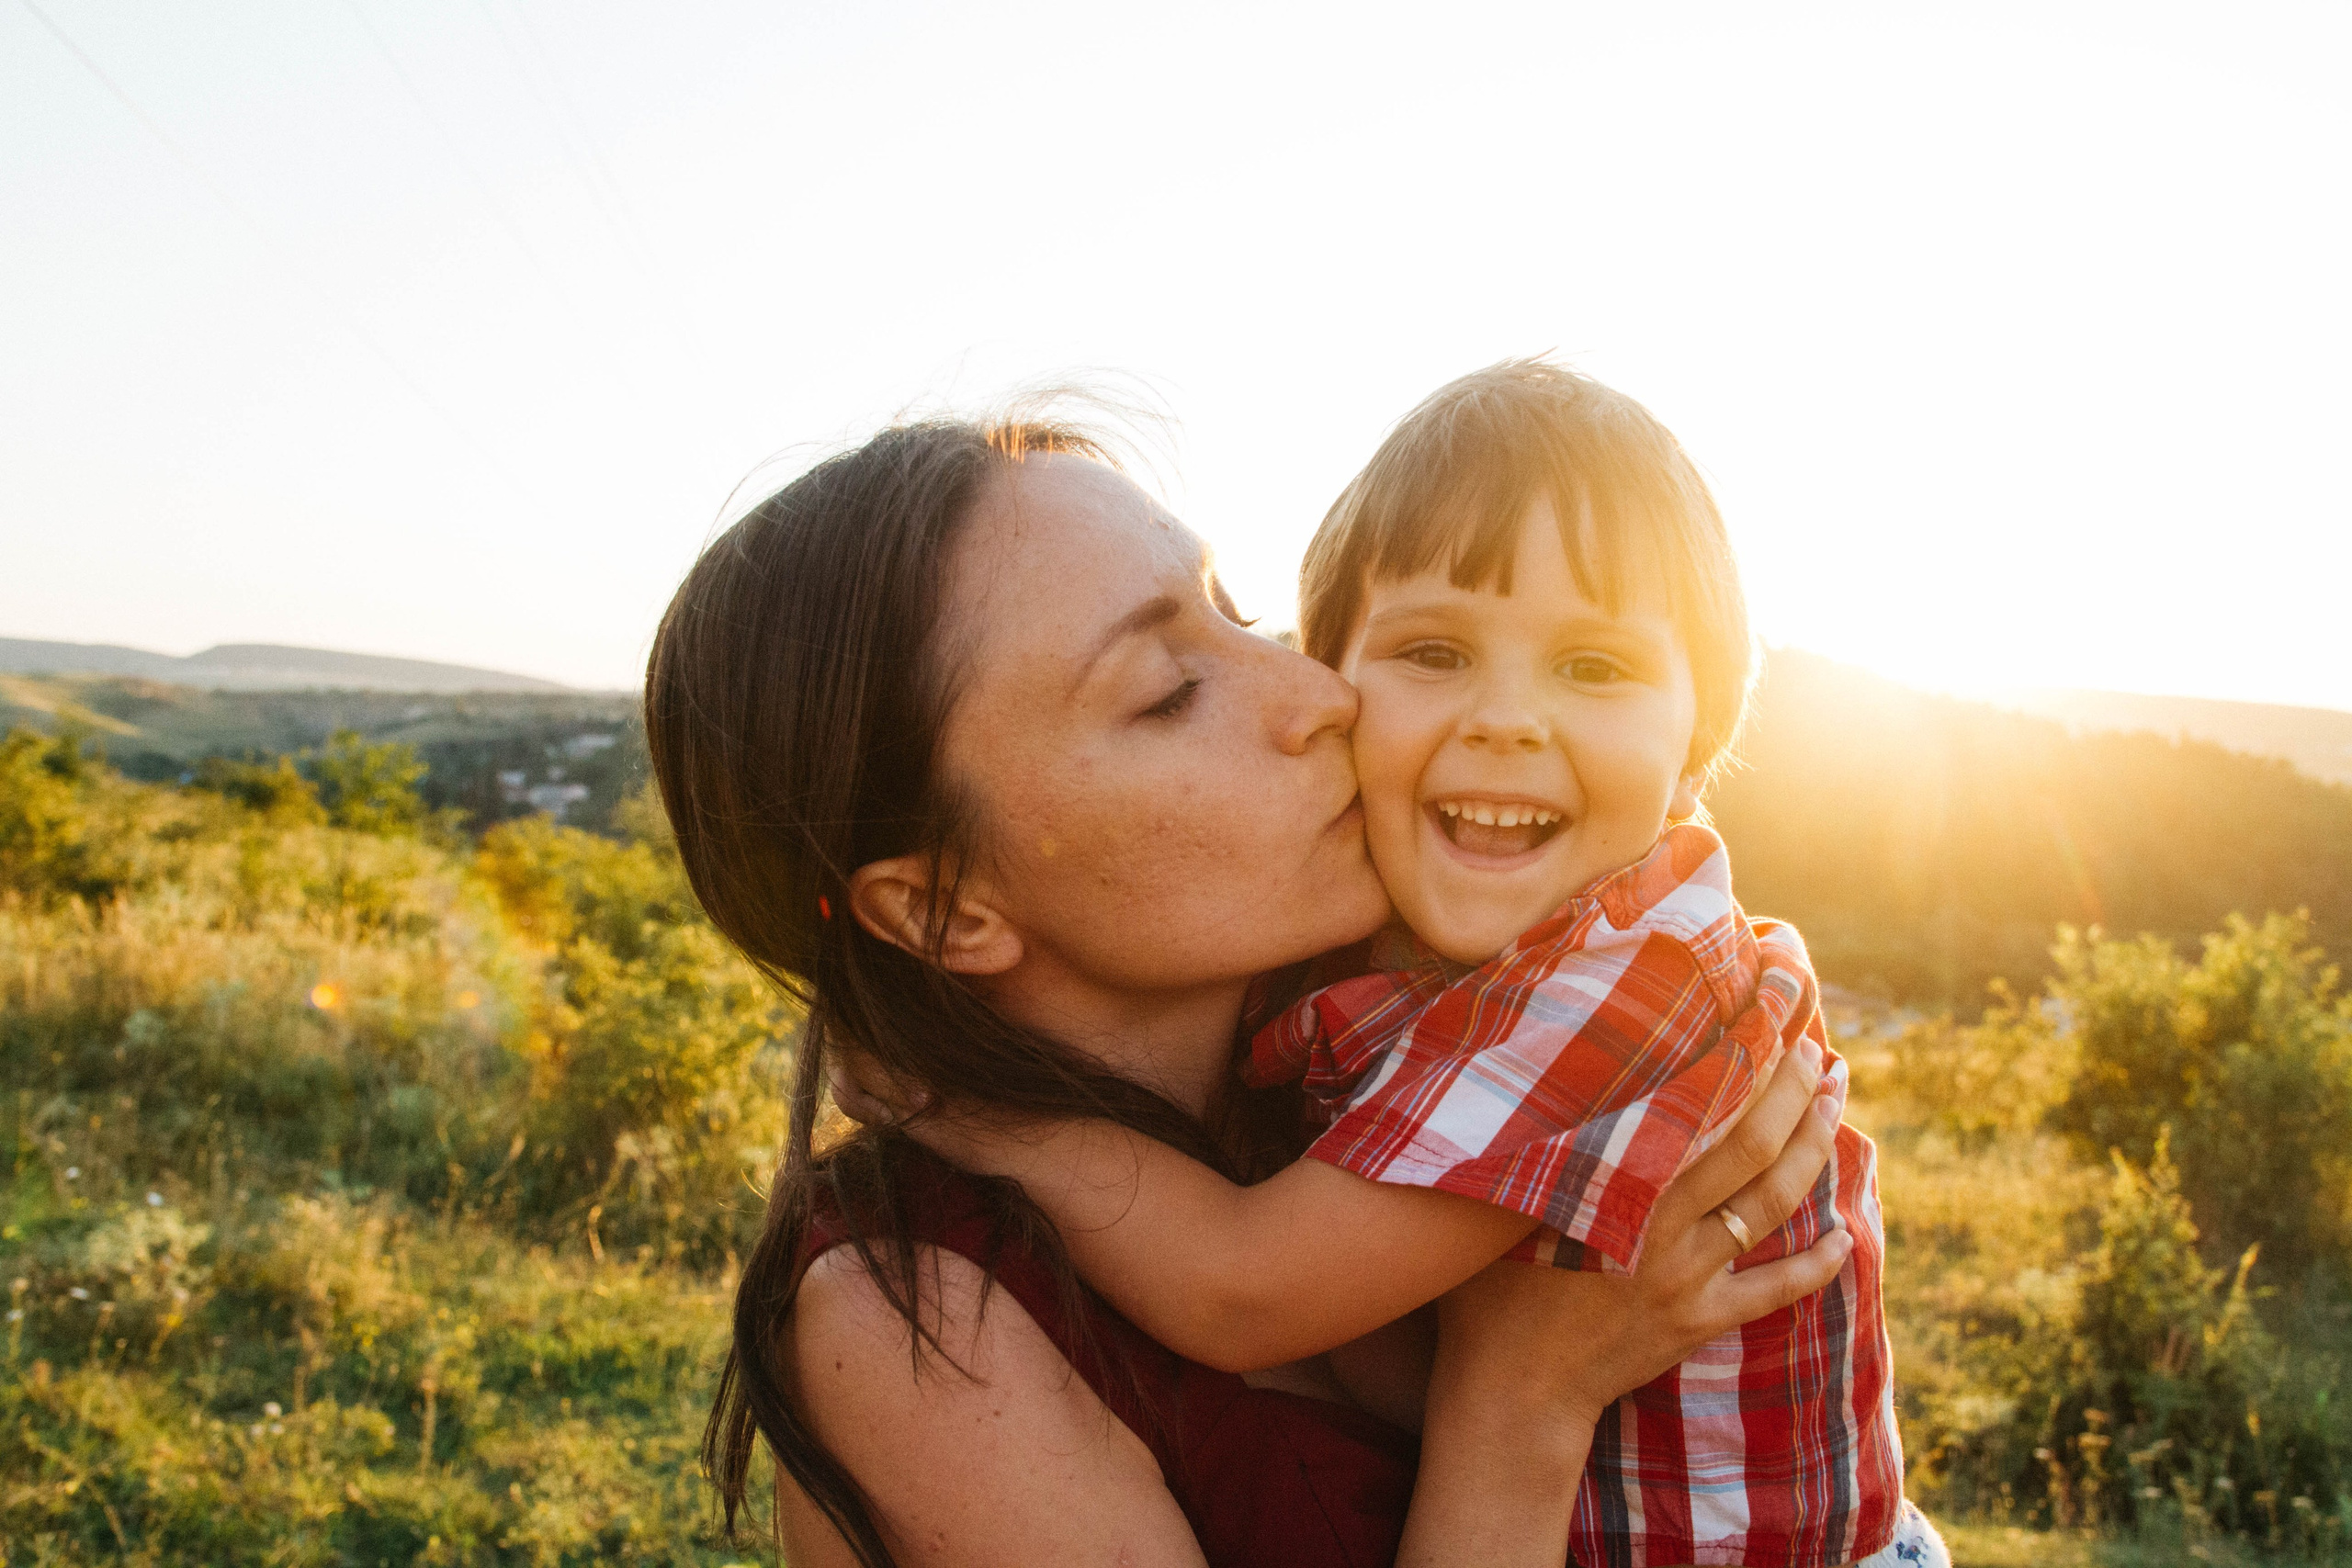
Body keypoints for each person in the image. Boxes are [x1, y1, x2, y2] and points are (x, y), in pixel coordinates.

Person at [643, 411, 1855, 1568]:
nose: (1322, 694)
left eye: (1241, 615)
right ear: (946, 912)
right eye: (1170, 691)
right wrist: (1520, 1403)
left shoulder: (1366, 1065)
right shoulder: (919, 1325)